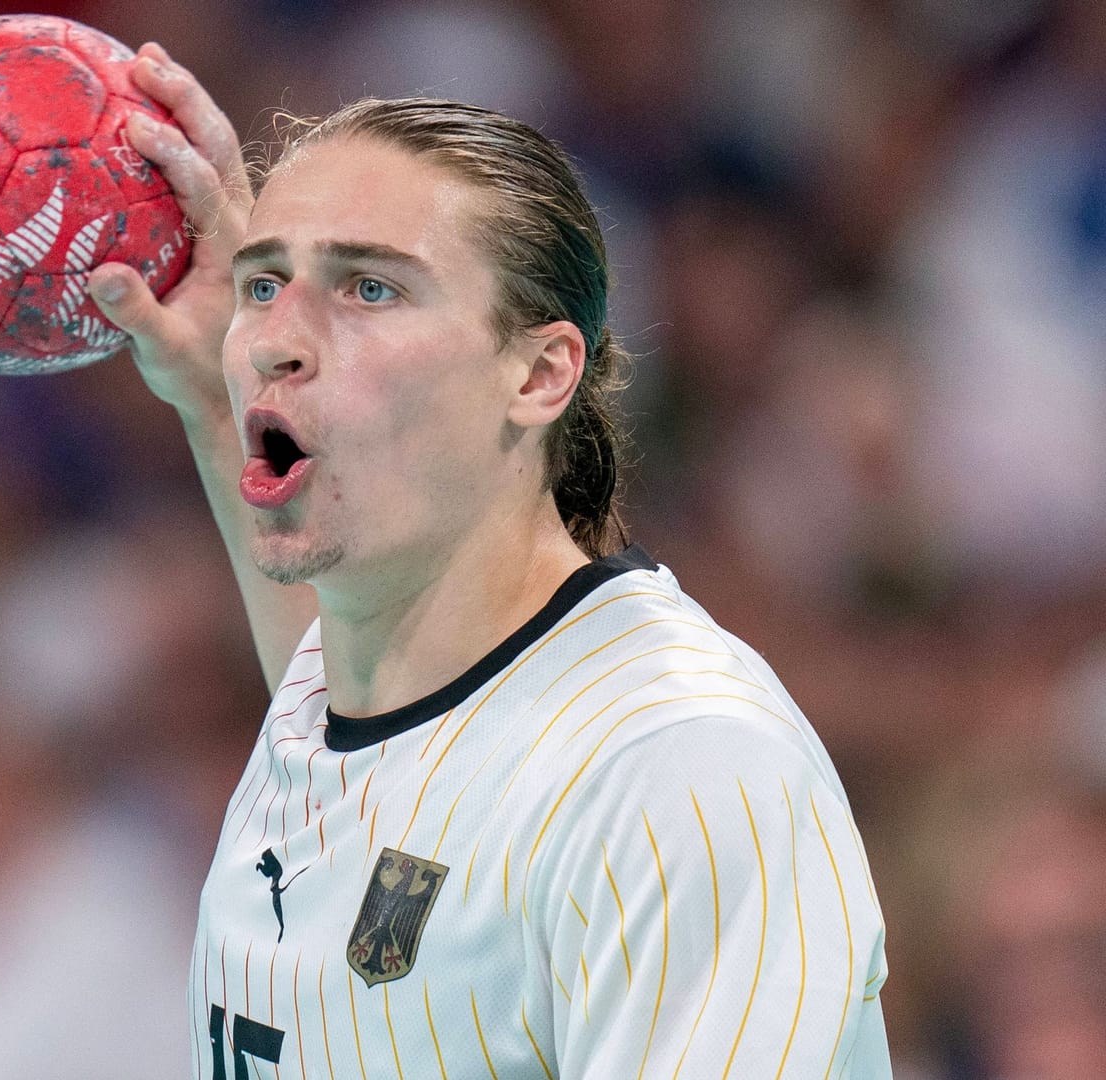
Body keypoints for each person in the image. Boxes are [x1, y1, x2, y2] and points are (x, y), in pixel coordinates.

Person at [82, 44, 892, 1078]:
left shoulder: (676, 770)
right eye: (265, 283)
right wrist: (207, 390)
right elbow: (375, 738)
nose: (277, 338)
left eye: (368, 288)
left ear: (541, 371)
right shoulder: (340, 690)